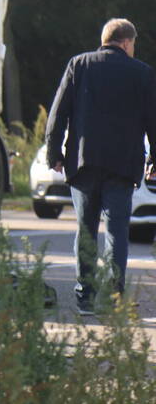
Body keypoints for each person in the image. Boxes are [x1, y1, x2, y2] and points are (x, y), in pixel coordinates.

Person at [45, 18, 156, 315]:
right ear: (127, 42)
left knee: (86, 231)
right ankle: (114, 297)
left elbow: (58, 113)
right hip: (121, 166)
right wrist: (153, 160)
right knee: (117, 232)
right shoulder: (142, 73)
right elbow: (153, 123)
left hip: (84, 164)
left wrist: (54, 153)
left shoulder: (78, 65)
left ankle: (85, 298)